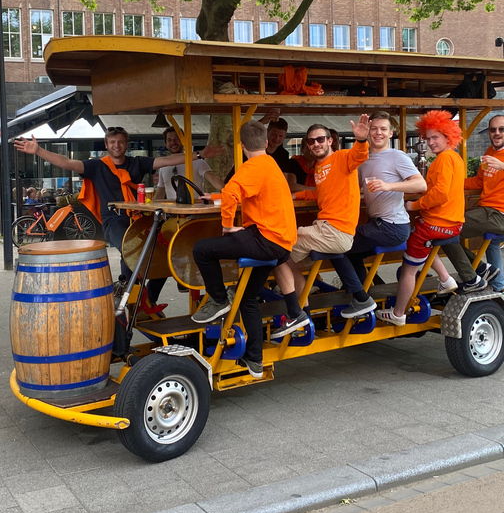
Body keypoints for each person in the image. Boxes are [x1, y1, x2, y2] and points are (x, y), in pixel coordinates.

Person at [14, 127, 219, 308]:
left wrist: (199, 155)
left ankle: (144, 297)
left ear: (126, 144)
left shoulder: (136, 163)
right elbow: (67, 162)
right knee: (130, 249)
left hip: (139, 219)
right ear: (106, 144)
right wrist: (38, 151)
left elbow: (166, 160)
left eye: (120, 142)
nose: (117, 146)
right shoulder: (96, 166)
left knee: (165, 252)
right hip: (114, 220)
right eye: (112, 142)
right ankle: (128, 290)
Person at [191, 120, 299, 379]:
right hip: (282, 244)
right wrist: (214, 198)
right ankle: (255, 359)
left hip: (265, 241)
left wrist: (228, 227)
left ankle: (218, 300)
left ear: (241, 146)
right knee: (248, 297)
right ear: (264, 143)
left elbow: (231, 194)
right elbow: (238, 193)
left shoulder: (251, 166)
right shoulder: (270, 164)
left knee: (201, 250)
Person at [273, 116, 371, 328]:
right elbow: (320, 194)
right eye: (311, 141)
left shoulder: (343, 157)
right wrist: (295, 197)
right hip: (326, 230)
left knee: (279, 248)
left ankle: (297, 312)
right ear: (307, 145)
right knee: (288, 261)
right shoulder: (319, 167)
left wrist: (362, 140)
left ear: (330, 141)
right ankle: (303, 312)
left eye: (320, 139)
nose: (316, 144)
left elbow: (360, 155)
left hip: (335, 231)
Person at [377, 110, 466, 327]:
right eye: (428, 138)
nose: (430, 142)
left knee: (408, 268)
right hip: (452, 223)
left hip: (437, 223)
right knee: (416, 238)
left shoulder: (443, 160)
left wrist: (414, 205)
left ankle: (398, 313)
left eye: (435, 137)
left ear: (448, 136)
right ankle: (446, 279)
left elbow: (440, 194)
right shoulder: (454, 157)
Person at [336, 111, 427, 319]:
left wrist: (389, 185)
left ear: (391, 133)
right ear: (367, 131)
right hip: (377, 223)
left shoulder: (397, 156)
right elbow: (353, 186)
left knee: (339, 245)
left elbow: (421, 184)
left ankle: (361, 299)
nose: (378, 133)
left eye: (383, 129)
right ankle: (359, 297)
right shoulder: (364, 157)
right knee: (350, 251)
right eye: (374, 128)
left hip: (392, 226)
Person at [441, 113, 504, 291]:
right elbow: (478, 181)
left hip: (498, 214)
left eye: (502, 129)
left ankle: (473, 276)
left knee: (445, 230)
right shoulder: (490, 152)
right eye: (493, 130)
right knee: (447, 232)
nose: (497, 133)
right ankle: (496, 283)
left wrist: (502, 166)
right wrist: (450, 182)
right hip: (488, 211)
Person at [155, 126, 223, 199]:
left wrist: (229, 193)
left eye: (176, 139)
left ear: (183, 140)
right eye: (169, 140)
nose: (173, 142)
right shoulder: (163, 166)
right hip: (172, 209)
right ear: (166, 144)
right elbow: (160, 192)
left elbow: (214, 180)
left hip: (194, 208)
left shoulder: (197, 161)